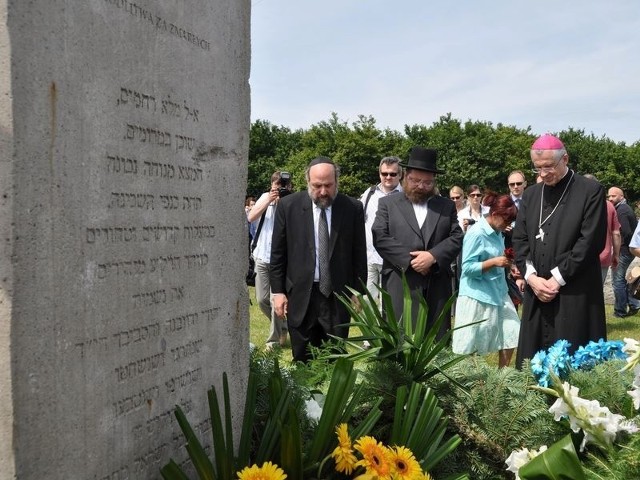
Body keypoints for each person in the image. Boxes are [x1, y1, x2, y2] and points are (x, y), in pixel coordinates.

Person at [512, 134, 607, 368]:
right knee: (532, 363)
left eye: (548, 167)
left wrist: (556, 279)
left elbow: (590, 241)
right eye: (538, 168)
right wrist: (532, 277)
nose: (543, 174)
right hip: (537, 291)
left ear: (565, 158)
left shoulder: (590, 191)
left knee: (574, 362)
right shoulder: (532, 194)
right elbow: (520, 239)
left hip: (575, 291)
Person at [270, 157, 367, 363]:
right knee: (302, 359)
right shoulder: (288, 206)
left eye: (328, 185)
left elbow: (358, 254)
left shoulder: (352, 208)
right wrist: (278, 291)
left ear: (337, 181)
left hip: (337, 296)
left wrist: (358, 291)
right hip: (301, 295)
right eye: (317, 186)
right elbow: (278, 253)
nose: (323, 192)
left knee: (335, 359)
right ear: (308, 182)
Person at [372, 146, 463, 336]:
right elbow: (380, 236)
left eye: (427, 182)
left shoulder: (445, 206)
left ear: (434, 181)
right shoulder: (388, 204)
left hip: (436, 286)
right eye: (415, 180)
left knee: (435, 342)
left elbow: (456, 237)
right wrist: (412, 261)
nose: (421, 186)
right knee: (400, 341)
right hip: (400, 283)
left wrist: (432, 256)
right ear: (405, 177)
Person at [452, 193, 520, 368]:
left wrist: (507, 264)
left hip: (499, 290)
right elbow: (466, 269)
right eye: (506, 221)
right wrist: (494, 262)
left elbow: (498, 256)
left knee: (512, 333)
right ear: (495, 214)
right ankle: (471, 383)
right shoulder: (476, 233)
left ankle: (500, 378)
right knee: (470, 346)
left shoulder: (498, 232)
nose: (508, 225)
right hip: (477, 295)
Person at [248, 172, 292, 349]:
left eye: (283, 186)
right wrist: (269, 200)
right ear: (271, 185)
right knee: (261, 300)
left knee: (276, 301)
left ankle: (273, 341)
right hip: (261, 255)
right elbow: (250, 217)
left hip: (280, 260)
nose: (279, 189)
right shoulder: (265, 197)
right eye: (277, 186)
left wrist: (283, 202)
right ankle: (285, 327)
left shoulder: (291, 201)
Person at [359, 157, 403, 306]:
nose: (388, 177)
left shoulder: (406, 197)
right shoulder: (369, 194)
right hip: (369, 258)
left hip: (393, 261)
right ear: (379, 174)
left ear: (400, 175)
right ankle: (370, 331)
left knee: (391, 305)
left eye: (392, 174)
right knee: (368, 304)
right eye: (384, 174)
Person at [607, 186, 640, 317]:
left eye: (613, 196)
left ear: (621, 196)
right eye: (609, 196)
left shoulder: (622, 210)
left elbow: (625, 233)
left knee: (617, 281)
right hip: (626, 250)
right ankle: (634, 304)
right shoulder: (622, 208)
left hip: (624, 251)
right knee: (622, 279)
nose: (610, 198)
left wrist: (616, 251)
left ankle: (620, 311)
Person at [583, 175, 620, 283]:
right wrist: (616, 255)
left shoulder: (577, 203)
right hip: (603, 255)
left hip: (581, 257)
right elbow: (616, 233)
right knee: (598, 292)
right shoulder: (609, 205)